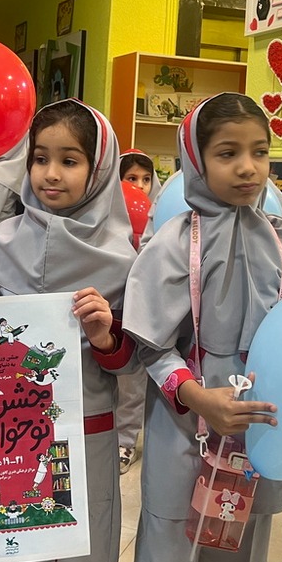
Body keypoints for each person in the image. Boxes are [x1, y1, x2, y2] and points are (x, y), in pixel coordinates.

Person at [122, 93, 282, 562]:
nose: (248, 167)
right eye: (228, 153)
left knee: (242, 545)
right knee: (170, 548)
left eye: (260, 152)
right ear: (196, 159)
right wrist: (197, 397)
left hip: (259, 421)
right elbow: (152, 347)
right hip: (185, 420)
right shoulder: (171, 245)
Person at [0, 98, 137, 562]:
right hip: (6, 431)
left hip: (84, 431)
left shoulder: (123, 259)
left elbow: (135, 363)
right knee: (10, 549)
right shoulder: (2, 242)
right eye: (40, 158)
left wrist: (105, 338)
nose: (51, 174)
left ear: (98, 169)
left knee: (79, 552)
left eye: (70, 160)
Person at [115, 149, 161, 475]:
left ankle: (125, 441)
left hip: (140, 312)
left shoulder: (161, 222)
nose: (140, 186)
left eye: (146, 179)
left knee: (133, 381)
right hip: (107, 309)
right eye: (131, 178)